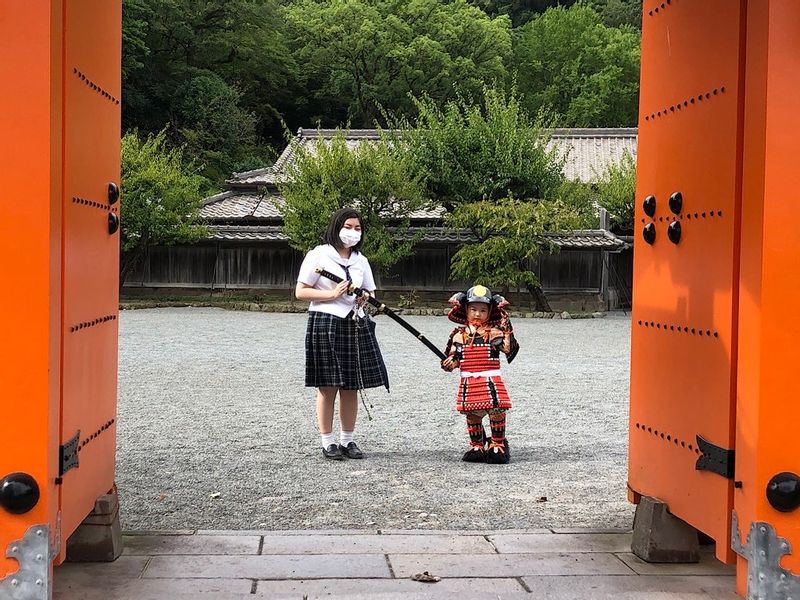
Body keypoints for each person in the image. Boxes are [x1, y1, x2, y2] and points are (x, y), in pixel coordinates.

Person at [295, 207, 389, 461]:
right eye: (348, 227)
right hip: (325, 321)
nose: (352, 232)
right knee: (328, 385)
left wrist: (364, 300)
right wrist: (332, 294)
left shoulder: (361, 260)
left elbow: (370, 293)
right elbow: (301, 292)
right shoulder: (319, 255)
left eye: (357, 228)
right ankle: (328, 442)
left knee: (351, 385)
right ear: (336, 227)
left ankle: (347, 439)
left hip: (354, 324)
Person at [440, 285, 519, 464]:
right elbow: (455, 358)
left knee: (496, 411)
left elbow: (507, 349)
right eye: (473, 309)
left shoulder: (493, 332)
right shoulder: (458, 335)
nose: (477, 314)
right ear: (465, 310)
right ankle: (476, 445)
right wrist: (450, 363)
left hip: (490, 379)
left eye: (483, 310)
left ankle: (497, 444)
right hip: (470, 380)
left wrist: (506, 328)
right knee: (473, 414)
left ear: (490, 311)